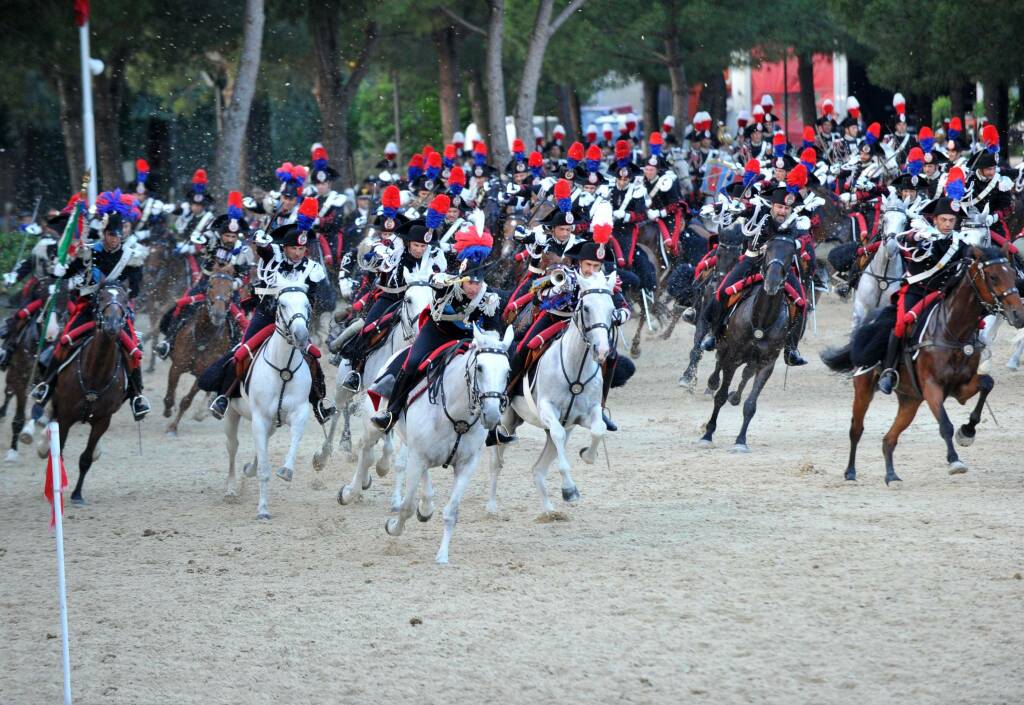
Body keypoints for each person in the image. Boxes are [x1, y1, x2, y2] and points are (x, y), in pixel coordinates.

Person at [206, 197, 336, 423]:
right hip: (267, 314)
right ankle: (224, 396)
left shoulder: (313, 268)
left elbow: (313, 297)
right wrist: (259, 239)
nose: (297, 253)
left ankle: (318, 404)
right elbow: (261, 246)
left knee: (313, 357)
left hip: (294, 318)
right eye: (293, 248)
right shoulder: (272, 254)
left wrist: (305, 317)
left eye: (302, 248)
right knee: (242, 352)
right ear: (284, 247)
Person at [369, 222, 502, 432]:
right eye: (469, 283)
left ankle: (495, 425)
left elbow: (494, 330)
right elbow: (434, 281)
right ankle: (391, 413)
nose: (473, 289)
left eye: (478, 284)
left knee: (495, 367)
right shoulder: (446, 286)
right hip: (437, 334)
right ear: (461, 279)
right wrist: (437, 281)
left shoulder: (490, 298)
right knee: (412, 362)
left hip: (469, 340)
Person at [31, 190, 150, 419]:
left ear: (121, 235)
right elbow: (72, 270)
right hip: (89, 307)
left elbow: (135, 288)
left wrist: (114, 290)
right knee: (65, 338)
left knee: (133, 348)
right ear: (103, 233)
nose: (112, 238)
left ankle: (137, 395)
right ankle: (47, 385)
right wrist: (60, 271)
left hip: (116, 308)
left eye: (116, 235)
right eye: (109, 234)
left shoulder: (131, 257)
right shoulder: (90, 251)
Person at [701, 186, 809, 366]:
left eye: (786, 208)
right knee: (721, 293)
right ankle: (714, 333)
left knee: (801, 303)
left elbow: (806, 238)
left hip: (780, 267)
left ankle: (791, 349)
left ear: (791, 209)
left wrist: (794, 244)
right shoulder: (761, 213)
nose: (782, 211)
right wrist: (717, 208)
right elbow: (742, 209)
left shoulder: (797, 221)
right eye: (779, 207)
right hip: (751, 262)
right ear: (772, 206)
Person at [876, 186, 968, 394]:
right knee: (900, 325)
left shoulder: (959, 244)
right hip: (916, 292)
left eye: (951, 221)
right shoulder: (922, 234)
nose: (947, 224)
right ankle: (889, 371)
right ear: (935, 220)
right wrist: (917, 237)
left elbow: (971, 256)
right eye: (943, 220)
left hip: (942, 295)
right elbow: (902, 240)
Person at [154, 191, 253, 359]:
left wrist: (232, 285)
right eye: (227, 235)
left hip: (229, 289)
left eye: (233, 236)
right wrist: (199, 238)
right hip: (206, 283)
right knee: (182, 306)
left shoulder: (244, 251)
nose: (230, 238)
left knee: (238, 319)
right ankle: (168, 341)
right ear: (221, 234)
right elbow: (203, 239)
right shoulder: (212, 240)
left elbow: (244, 276)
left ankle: (235, 349)